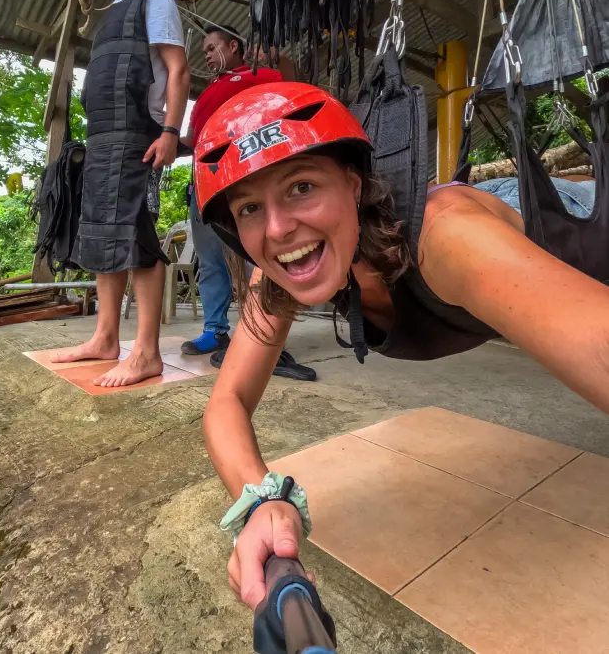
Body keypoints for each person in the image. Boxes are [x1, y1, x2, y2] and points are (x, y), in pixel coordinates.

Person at [195, 82, 608, 610]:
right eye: (250, 207)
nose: (276, 228)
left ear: (352, 185)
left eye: (301, 187)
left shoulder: (446, 236)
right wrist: (261, 501)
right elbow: (225, 404)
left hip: (575, 218)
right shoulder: (277, 276)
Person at [52, 0, 190, 387]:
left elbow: (177, 70)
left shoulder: (155, 0)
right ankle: (105, 338)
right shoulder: (109, 12)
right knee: (102, 232)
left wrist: (171, 132)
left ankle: (147, 352)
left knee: (135, 233)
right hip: (102, 139)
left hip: (138, 135)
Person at [178, 25, 290, 356]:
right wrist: (165, 139)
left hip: (243, 179)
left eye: (213, 48)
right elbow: (191, 141)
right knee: (210, 259)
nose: (208, 56)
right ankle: (215, 331)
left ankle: (264, 330)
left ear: (234, 46)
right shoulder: (204, 98)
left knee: (257, 254)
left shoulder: (258, 75)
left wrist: (277, 58)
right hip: (203, 182)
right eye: (205, 52)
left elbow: (290, 86)